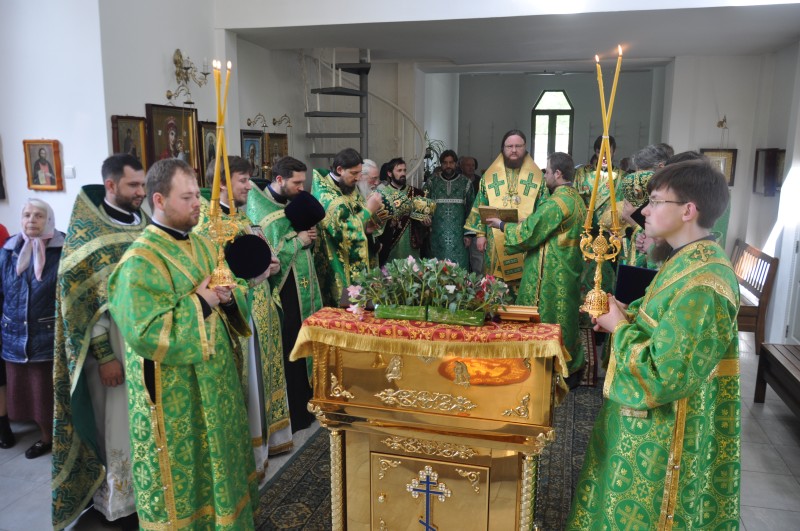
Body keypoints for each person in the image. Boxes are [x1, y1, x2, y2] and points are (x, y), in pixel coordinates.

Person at [566, 160, 741, 529]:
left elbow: (665, 373)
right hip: (644, 425)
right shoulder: (686, 261)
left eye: (657, 201)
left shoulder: (705, 285)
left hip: (666, 439)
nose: (644, 210)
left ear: (688, 210)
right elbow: (665, 329)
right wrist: (626, 315)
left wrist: (618, 328)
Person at [108, 158, 257, 529]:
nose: (199, 205)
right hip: (177, 393)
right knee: (186, 473)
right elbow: (143, 332)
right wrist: (201, 301)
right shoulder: (139, 262)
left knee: (221, 459)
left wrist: (228, 293)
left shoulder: (205, 245)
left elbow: (227, 295)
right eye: (188, 197)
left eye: (198, 195)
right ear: (159, 200)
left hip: (215, 382)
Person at [52, 154, 148, 530]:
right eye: (133, 186)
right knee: (117, 425)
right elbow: (81, 309)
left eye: (143, 185)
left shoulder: (144, 225)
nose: (141, 192)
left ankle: (147, 491)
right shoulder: (89, 237)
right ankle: (119, 499)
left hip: (145, 345)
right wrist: (106, 356)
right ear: (110, 186)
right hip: (113, 349)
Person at [196, 156, 290, 479]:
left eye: (250, 179)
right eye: (242, 180)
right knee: (247, 381)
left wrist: (270, 266)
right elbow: (214, 277)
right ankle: (249, 456)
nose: (249, 186)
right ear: (220, 184)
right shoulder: (206, 228)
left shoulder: (242, 218)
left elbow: (259, 255)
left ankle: (266, 444)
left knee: (261, 378)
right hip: (233, 316)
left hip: (258, 307)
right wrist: (254, 277)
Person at [486, 152, 586, 379]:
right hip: (567, 266)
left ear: (558, 174)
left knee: (548, 317)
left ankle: (550, 364)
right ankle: (570, 362)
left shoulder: (557, 202)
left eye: (548, 171)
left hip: (552, 271)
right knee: (565, 317)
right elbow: (548, 225)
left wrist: (502, 225)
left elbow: (529, 233)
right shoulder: (576, 198)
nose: (546, 175)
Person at [248, 156, 324, 432]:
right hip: (283, 294)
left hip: (304, 287)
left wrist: (309, 240)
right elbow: (265, 257)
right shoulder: (259, 210)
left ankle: (311, 402)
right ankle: (296, 414)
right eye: (297, 182)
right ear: (279, 180)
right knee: (291, 343)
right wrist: (298, 242)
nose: (302, 187)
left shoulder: (292, 203)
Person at [0, 199, 63, 458]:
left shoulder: (62, 249)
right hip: (13, 333)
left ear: (48, 219)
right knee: (24, 392)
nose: (31, 220)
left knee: (45, 393)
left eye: (38, 215)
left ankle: (51, 438)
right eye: (26, 215)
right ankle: (40, 433)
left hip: (46, 334)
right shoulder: (9, 249)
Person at [464, 129, 547, 287]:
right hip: (495, 241)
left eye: (518, 146)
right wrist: (481, 235)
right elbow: (481, 204)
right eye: (509, 146)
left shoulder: (538, 179)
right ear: (503, 148)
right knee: (494, 284)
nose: (514, 150)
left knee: (523, 283)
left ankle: (520, 311)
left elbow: (543, 209)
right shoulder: (489, 177)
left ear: (525, 147)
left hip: (525, 238)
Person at [311, 147, 383, 306]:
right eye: (354, 173)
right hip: (336, 263)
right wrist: (368, 210)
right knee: (343, 313)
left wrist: (366, 227)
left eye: (359, 173)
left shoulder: (348, 187)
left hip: (353, 260)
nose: (358, 178)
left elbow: (356, 217)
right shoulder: (326, 195)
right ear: (339, 169)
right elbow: (343, 230)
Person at [424, 149, 475, 268]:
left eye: (451, 162)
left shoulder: (465, 183)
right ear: (441, 164)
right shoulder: (432, 182)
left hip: (459, 238)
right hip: (437, 236)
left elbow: (471, 209)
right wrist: (425, 218)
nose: (448, 165)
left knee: (459, 270)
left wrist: (468, 234)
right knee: (437, 269)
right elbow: (424, 203)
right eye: (445, 163)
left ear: (456, 164)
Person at [375, 157, 429, 265]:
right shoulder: (381, 194)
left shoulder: (417, 193)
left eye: (404, 170)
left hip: (411, 245)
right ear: (390, 174)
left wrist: (425, 223)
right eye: (399, 171)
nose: (403, 173)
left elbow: (423, 221)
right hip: (390, 245)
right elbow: (377, 223)